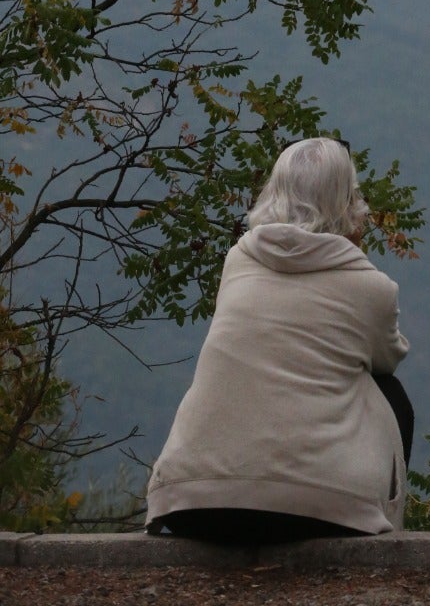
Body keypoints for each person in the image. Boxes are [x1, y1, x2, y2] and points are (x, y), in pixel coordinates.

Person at [146, 136, 411, 544]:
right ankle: (385, 537)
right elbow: (386, 360)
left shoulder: (239, 259)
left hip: (193, 505)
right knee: (389, 393)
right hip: (314, 512)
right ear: (348, 203)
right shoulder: (372, 288)